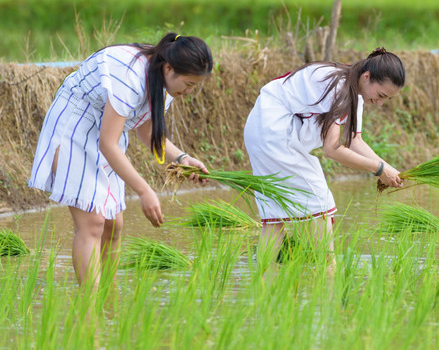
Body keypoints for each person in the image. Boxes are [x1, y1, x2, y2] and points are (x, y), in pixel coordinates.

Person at [29, 33, 213, 287]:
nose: (189, 91)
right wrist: (144, 190)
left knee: (113, 224)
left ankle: (109, 299)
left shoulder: (164, 81)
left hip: (106, 131)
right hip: (75, 126)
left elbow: (147, 132)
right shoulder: (129, 74)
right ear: (169, 68)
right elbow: (108, 143)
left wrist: (182, 158)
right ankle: (90, 312)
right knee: (93, 222)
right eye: (189, 84)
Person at [244, 47, 405, 266]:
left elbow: (354, 140)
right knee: (319, 202)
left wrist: (388, 169)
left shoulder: (352, 87)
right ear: (367, 77)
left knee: (275, 215)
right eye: (381, 95)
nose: (380, 102)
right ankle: (328, 277)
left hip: (264, 130)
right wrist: (378, 170)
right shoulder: (339, 87)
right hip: (273, 132)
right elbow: (333, 149)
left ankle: (263, 283)